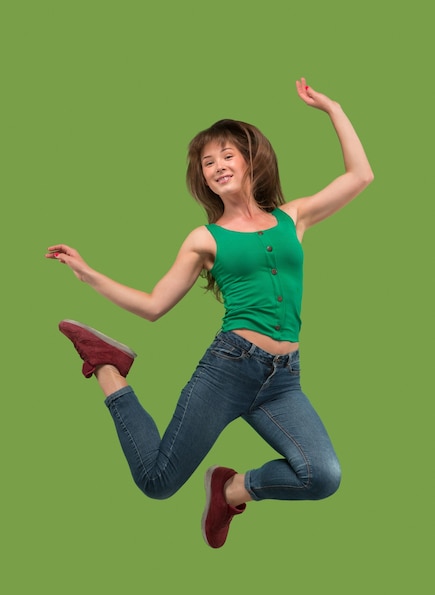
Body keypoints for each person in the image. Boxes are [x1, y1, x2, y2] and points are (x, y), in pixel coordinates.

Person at [46, 77, 373, 549]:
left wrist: (333, 107)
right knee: (156, 481)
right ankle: (107, 365)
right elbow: (155, 305)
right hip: (229, 369)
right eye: (207, 162)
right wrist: (90, 274)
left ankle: (231, 490)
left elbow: (360, 175)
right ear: (202, 177)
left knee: (322, 476)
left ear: (250, 159)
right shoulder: (205, 240)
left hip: (283, 380)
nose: (217, 166)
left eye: (226, 155)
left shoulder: (292, 217)